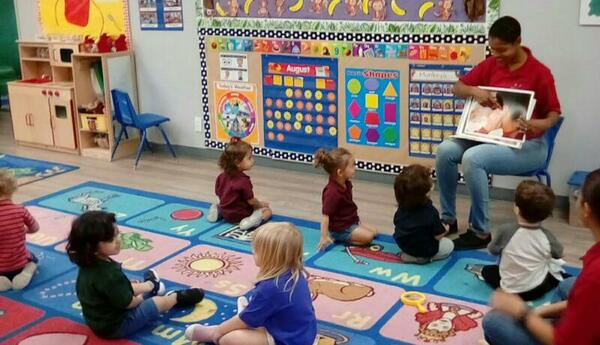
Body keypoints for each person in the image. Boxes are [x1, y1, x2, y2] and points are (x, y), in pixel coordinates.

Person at [436, 16, 562, 249]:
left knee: (473, 159)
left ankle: (480, 231)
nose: (497, 55)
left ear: (518, 41)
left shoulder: (540, 72)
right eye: (493, 49)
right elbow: (458, 87)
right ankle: (447, 219)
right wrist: (476, 91)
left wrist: (537, 124)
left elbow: (554, 113)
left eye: (502, 49)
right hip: (489, 138)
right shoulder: (492, 64)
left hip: (529, 145)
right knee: (445, 150)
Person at [482, 169, 600, 345]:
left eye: (578, 194)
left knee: (492, 321)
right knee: (567, 283)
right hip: (541, 290)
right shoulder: (548, 238)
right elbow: (558, 254)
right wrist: (539, 313)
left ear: (587, 209)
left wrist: (523, 312)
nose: (576, 196)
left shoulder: (595, 276)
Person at [66, 211, 204, 339]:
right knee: (158, 302)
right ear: (93, 248)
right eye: (111, 239)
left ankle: (151, 285)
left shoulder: (89, 264)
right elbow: (129, 303)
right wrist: (140, 298)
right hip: (117, 326)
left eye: (117, 233)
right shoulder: (108, 274)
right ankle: (176, 297)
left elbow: (115, 289)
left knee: (129, 286)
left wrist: (133, 290)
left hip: (97, 321)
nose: (119, 239)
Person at [185, 222, 318, 345]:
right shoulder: (294, 273)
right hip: (303, 332)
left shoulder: (272, 288)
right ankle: (251, 314)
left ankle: (216, 330)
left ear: (270, 257)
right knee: (252, 316)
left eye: (257, 251)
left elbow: (245, 320)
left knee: (227, 339)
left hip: (288, 339)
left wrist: (218, 331)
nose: (252, 252)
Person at [466, 180, 564, 300]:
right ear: (546, 215)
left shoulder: (506, 230)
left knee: (487, 271)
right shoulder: (548, 237)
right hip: (536, 290)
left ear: (517, 209)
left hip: (509, 290)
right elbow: (558, 254)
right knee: (553, 274)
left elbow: (492, 250)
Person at [314, 148, 377, 251]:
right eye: (352, 165)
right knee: (369, 238)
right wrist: (324, 236)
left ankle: (352, 231)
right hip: (341, 229)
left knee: (374, 232)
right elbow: (325, 216)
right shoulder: (332, 192)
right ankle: (339, 237)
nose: (355, 168)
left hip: (351, 222)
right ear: (340, 172)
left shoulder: (346, 182)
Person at [392, 165, 454, 264]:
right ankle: (422, 258)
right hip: (425, 249)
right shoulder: (430, 212)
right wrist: (445, 230)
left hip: (404, 245)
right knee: (449, 245)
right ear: (426, 192)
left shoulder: (401, 209)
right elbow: (438, 236)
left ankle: (409, 254)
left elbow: (397, 224)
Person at [207, 137, 272, 230]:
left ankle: (219, 211)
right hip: (241, 215)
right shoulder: (243, 181)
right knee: (267, 211)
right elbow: (251, 201)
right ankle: (251, 221)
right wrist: (260, 205)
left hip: (226, 212)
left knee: (223, 204)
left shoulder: (221, 177)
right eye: (249, 158)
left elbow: (218, 193)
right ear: (237, 162)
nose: (253, 160)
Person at [0, 169, 40, 291]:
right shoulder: (20, 210)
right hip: (19, 263)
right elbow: (35, 228)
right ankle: (26, 272)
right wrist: (23, 230)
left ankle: (2, 280)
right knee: (33, 259)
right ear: (13, 190)